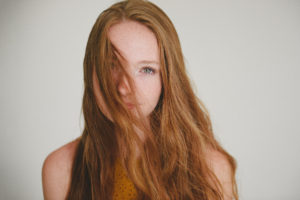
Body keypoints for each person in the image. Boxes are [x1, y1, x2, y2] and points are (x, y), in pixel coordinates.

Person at [42, 0, 238, 199]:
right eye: (112, 66)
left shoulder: (210, 170)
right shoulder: (60, 169)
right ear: (90, 70)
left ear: (168, 80)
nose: (124, 88)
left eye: (146, 69)